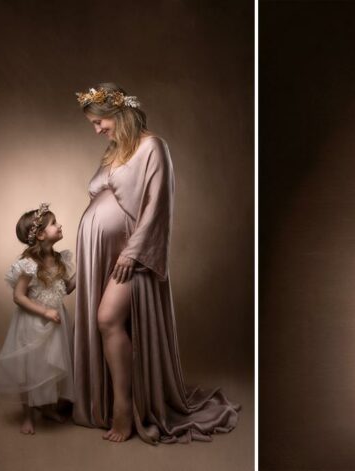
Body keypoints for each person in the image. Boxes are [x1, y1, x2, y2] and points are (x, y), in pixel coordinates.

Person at [72, 83, 240, 443]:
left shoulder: (152, 147)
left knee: (107, 318)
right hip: (101, 254)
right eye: (93, 123)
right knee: (106, 323)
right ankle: (112, 400)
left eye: (99, 121)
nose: (97, 129)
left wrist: (133, 252)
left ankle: (124, 407)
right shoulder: (113, 151)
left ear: (118, 114)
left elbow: (157, 204)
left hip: (129, 253)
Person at [0, 203, 75, 435]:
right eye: (54, 223)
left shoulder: (60, 258)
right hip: (33, 322)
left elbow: (66, 288)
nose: (59, 225)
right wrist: (45, 312)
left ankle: (46, 407)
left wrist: (86, 272)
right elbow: (18, 297)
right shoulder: (29, 264)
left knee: (48, 367)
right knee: (31, 369)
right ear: (41, 234)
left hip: (55, 323)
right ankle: (28, 415)